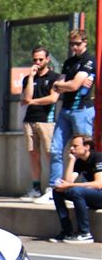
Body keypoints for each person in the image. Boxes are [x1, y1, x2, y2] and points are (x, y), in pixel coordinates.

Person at [39, 29, 96, 204]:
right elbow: (60, 86)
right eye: (72, 44)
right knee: (55, 149)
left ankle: (89, 189)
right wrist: (63, 84)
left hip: (82, 110)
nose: (74, 47)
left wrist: (62, 85)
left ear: (85, 42)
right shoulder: (69, 62)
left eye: (77, 43)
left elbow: (73, 85)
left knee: (85, 151)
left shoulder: (89, 60)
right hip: (66, 109)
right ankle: (54, 188)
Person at [19, 46, 59, 200]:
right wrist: (30, 77)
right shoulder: (28, 78)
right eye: (35, 59)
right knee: (33, 154)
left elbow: (52, 98)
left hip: (46, 121)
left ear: (47, 59)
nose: (37, 62)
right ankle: (36, 187)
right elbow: (26, 96)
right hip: (29, 120)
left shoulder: (55, 77)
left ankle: (52, 186)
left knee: (50, 153)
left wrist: (32, 101)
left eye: (40, 59)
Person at [48, 135, 102, 244]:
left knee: (76, 191)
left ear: (86, 147)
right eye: (71, 146)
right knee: (58, 191)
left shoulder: (98, 157)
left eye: (75, 146)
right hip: (93, 195)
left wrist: (69, 186)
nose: (71, 149)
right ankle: (67, 231)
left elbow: (98, 184)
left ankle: (85, 233)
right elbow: (68, 182)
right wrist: (71, 161)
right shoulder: (80, 161)